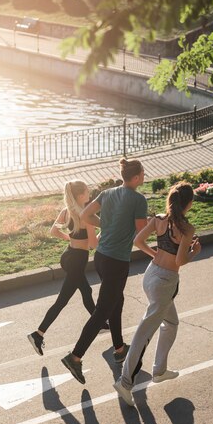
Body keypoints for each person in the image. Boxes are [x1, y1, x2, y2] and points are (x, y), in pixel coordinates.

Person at [113, 181, 201, 406]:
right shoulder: (186, 229)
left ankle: (159, 370)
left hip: (151, 275)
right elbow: (180, 261)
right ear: (188, 204)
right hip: (165, 283)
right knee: (144, 333)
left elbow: (137, 241)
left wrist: (155, 254)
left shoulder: (159, 220)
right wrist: (194, 251)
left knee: (171, 323)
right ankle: (124, 382)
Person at [61, 158, 147, 384]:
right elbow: (140, 233)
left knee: (115, 302)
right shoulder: (138, 199)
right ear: (136, 177)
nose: (144, 175)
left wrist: (107, 225)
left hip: (100, 258)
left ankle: (119, 349)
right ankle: (75, 356)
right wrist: (157, 224)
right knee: (102, 311)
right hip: (117, 262)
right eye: (143, 173)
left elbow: (85, 215)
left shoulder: (108, 193)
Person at [27, 180, 99, 356]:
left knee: (86, 290)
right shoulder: (86, 215)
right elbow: (92, 244)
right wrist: (103, 234)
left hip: (67, 257)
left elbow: (53, 231)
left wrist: (70, 238)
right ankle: (38, 334)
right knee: (62, 301)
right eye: (87, 191)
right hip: (78, 260)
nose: (89, 193)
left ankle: (99, 323)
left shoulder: (67, 212)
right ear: (81, 195)